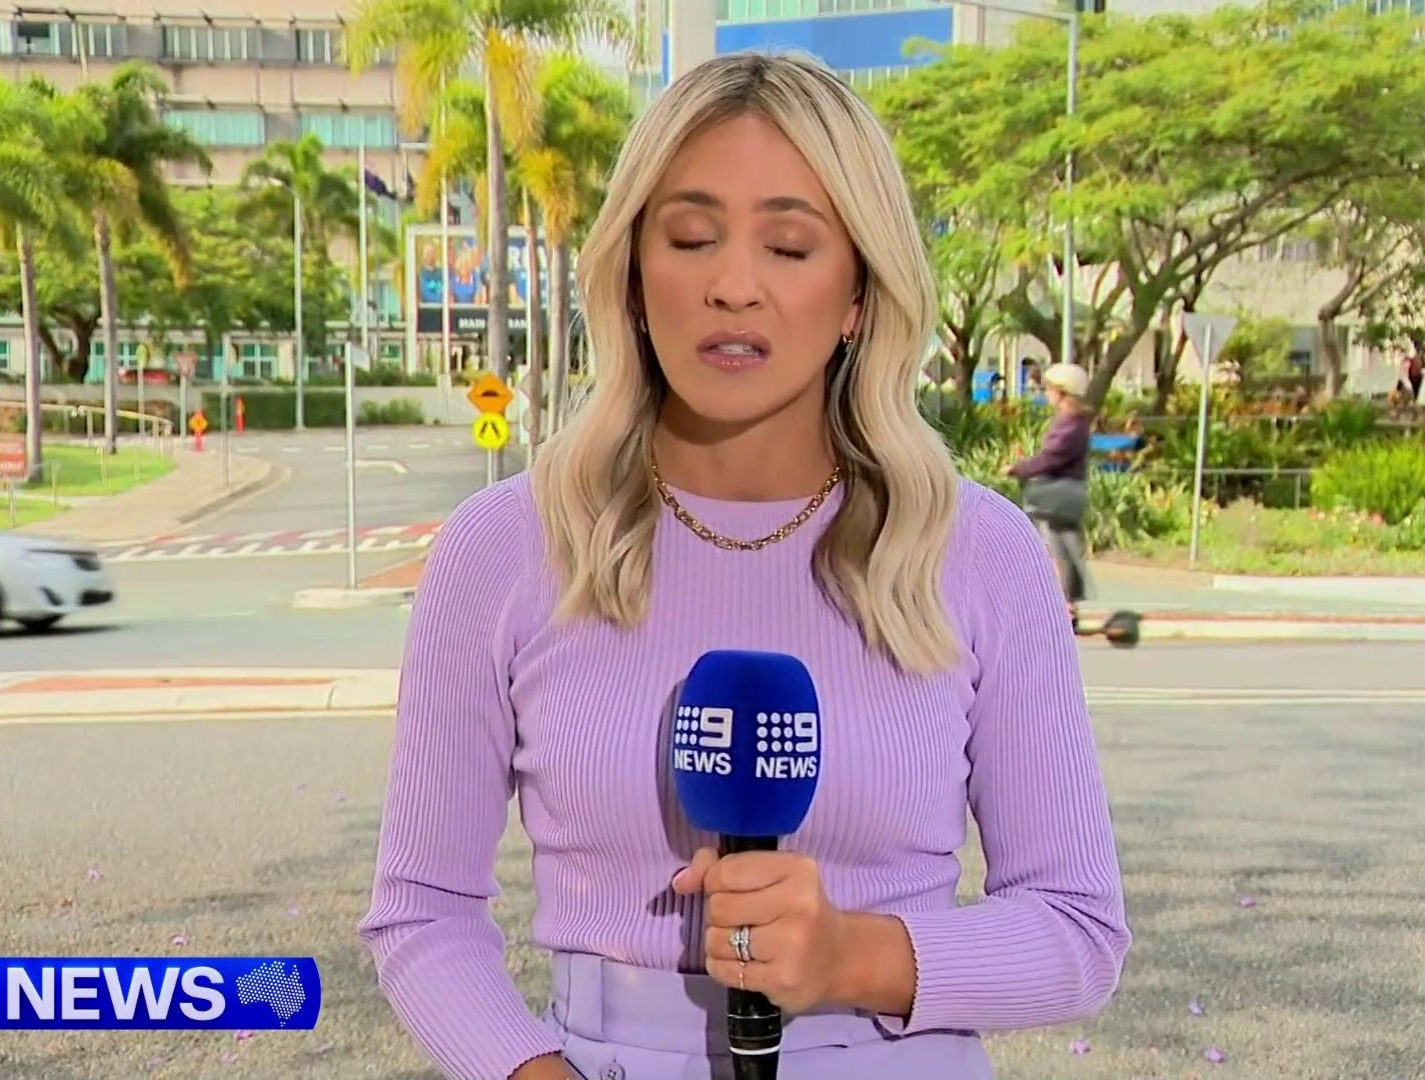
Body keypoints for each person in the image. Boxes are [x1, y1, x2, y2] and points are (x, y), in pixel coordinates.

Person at [358, 52, 1129, 1080]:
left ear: (859, 292)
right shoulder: (505, 546)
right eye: (690, 238)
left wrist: (855, 955)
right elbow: (422, 913)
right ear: (634, 275)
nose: (733, 286)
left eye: (790, 245)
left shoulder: (980, 552)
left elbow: (1078, 929)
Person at [1008, 363, 1096, 630]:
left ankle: (1065, 608)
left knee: (1056, 550)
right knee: (1062, 548)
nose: (1047, 392)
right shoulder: (1074, 421)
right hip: (1064, 493)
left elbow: (1052, 457)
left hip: (1058, 495)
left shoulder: (1071, 423)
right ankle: (1067, 607)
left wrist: (1019, 468)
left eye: (1050, 388)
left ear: (1062, 391)